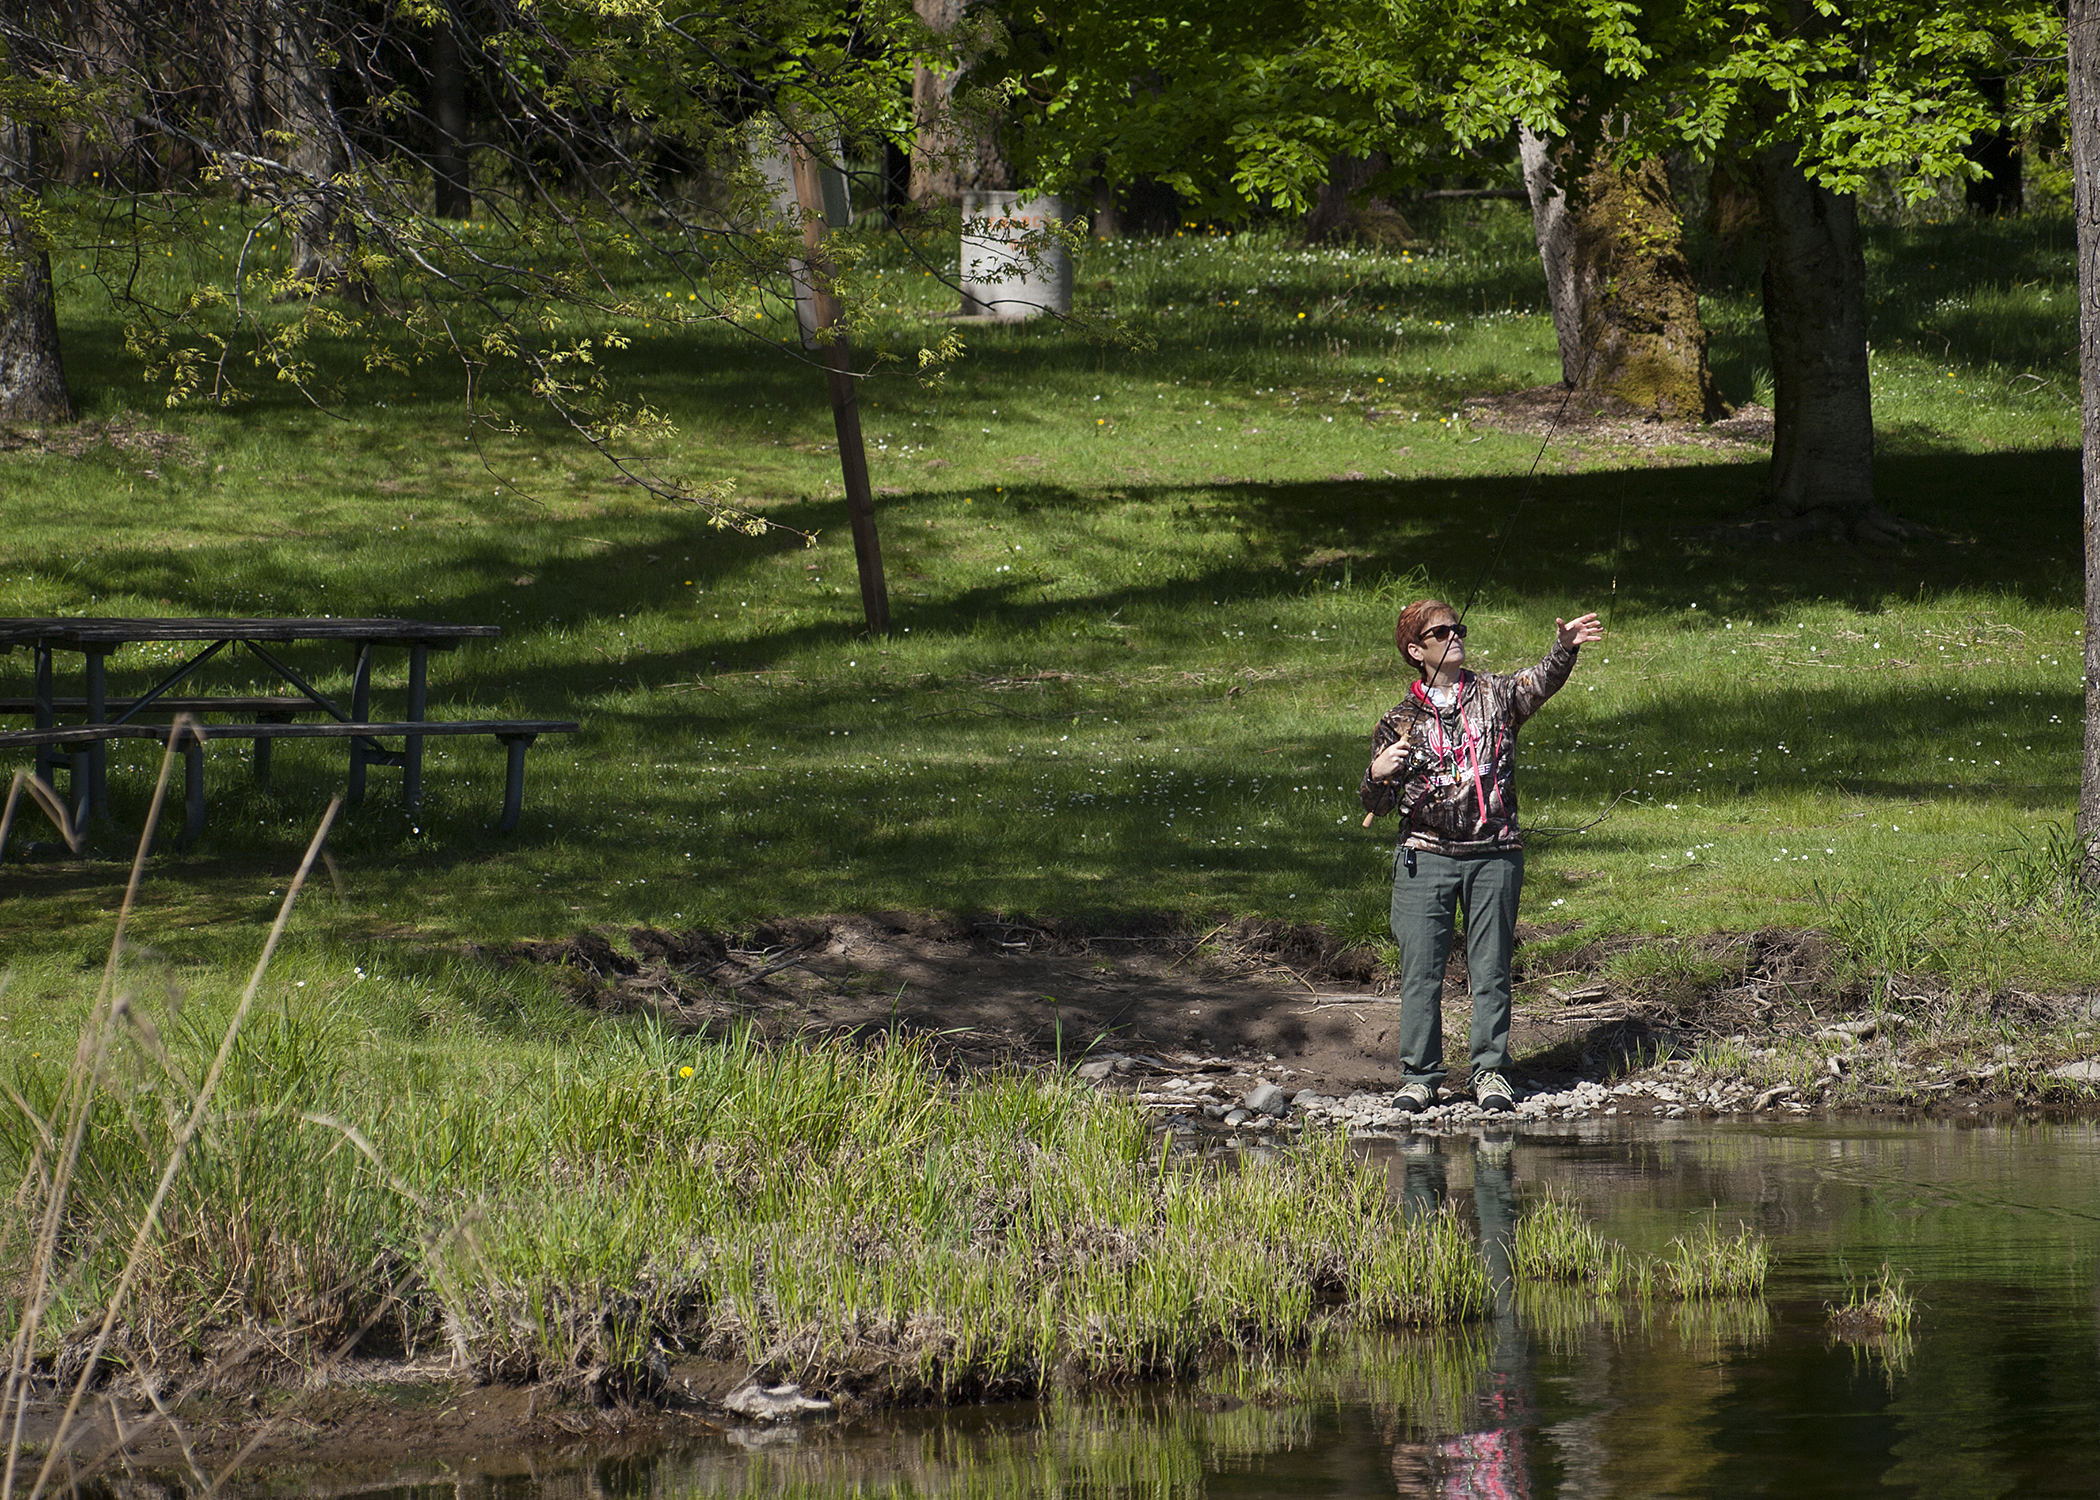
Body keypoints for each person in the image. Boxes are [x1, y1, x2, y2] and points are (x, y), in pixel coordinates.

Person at [1359, 600, 1603, 1113]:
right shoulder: (1398, 721)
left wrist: (1564, 648)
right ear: (1415, 649)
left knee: (1490, 969)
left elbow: (1541, 680)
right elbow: (1378, 806)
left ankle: (1490, 1072)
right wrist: (1378, 773)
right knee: (1421, 973)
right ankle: (1419, 1078)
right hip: (1424, 856)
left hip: (1496, 854)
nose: (1454, 635)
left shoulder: (1495, 694)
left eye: (1457, 627)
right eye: (1441, 631)